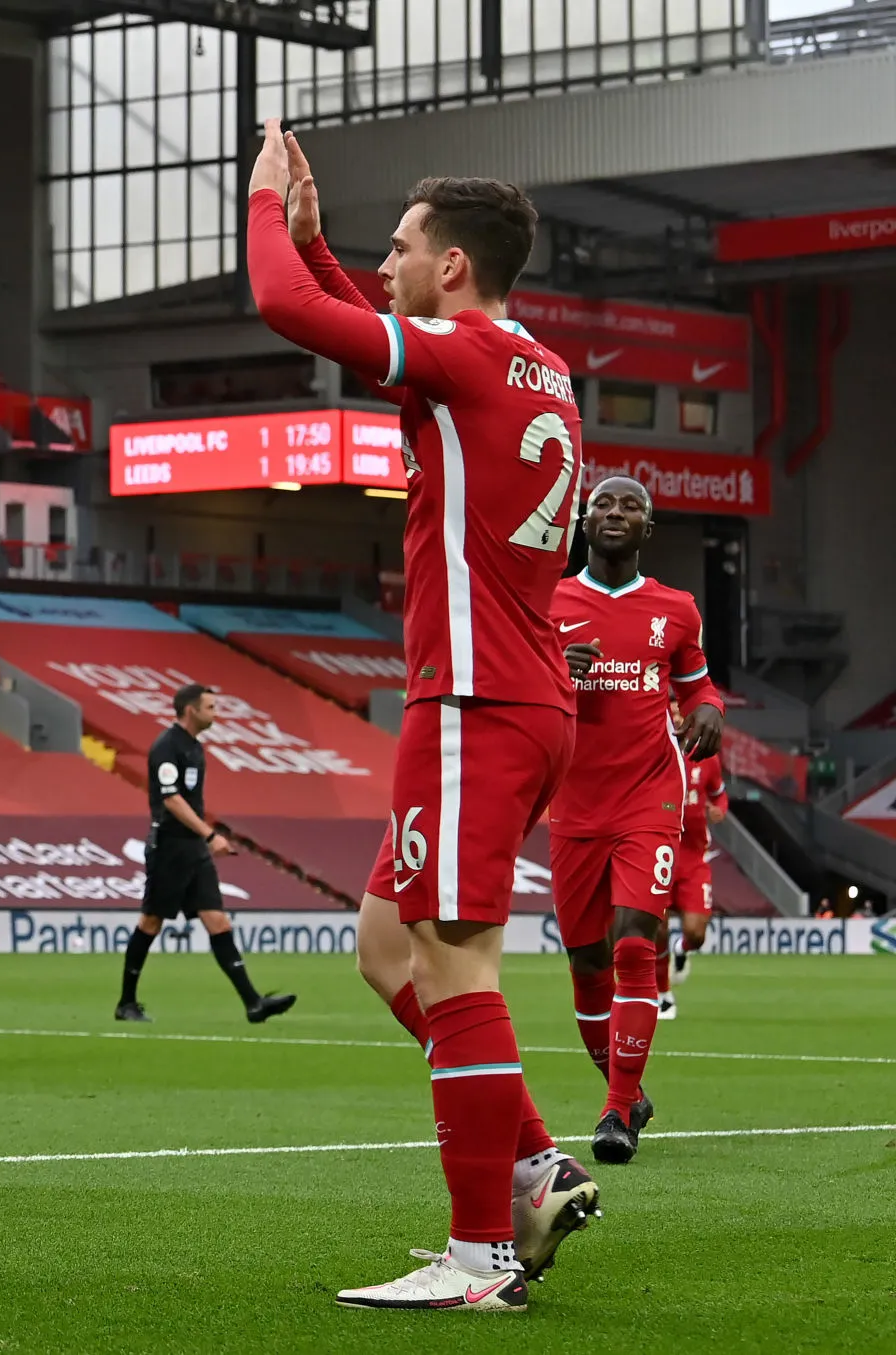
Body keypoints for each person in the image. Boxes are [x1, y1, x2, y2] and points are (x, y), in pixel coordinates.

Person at [248, 121, 595, 1309]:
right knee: (382, 943)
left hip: (473, 698)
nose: (383, 261)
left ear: (450, 266)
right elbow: (378, 342)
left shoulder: (461, 358)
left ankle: (480, 1251)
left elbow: (286, 311)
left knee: (452, 961)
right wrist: (321, 249)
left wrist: (263, 215)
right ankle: (535, 1160)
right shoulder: (525, 361)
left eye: (396, 247)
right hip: (512, 693)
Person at [552, 476, 723, 1164]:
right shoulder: (548, 602)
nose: (614, 512)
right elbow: (513, 683)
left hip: (649, 794)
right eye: (603, 504)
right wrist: (550, 670)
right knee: (586, 960)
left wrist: (710, 708)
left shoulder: (676, 608)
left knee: (632, 944)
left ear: (647, 529)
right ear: (583, 522)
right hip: (571, 800)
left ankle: (616, 1111)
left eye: (630, 506)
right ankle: (626, 1086)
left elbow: (698, 685)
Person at [114, 683, 295, 1026]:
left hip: (193, 849)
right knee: (151, 921)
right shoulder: (167, 746)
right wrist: (210, 834)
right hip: (169, 847)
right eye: (210, 707)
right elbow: (171, 799)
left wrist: (203, 839)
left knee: (218, 921)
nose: (216, 713)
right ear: (190, 710)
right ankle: (126, 1002)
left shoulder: (194, 748)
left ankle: (254, 1003)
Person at [664, 740, 727, 1015]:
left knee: (696, 932)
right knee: (654, 930)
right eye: (672, 709)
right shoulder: (655, 749)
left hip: (694, 860)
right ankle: (663, 995)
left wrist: (719, 810)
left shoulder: (706, 758)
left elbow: (720, 795)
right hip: (660, 853)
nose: (676, 715)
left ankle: (682, 948)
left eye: (680, 709)